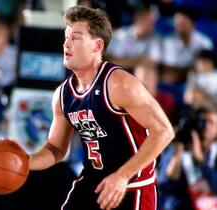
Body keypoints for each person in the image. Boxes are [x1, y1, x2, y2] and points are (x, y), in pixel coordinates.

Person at [28, 5, 174, 210]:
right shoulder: (62, 94)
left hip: (131, 186)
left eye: (75, 37)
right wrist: (25, 162)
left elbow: (164, 131)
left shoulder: (118, 83)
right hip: (91, 183)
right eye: (66, 37)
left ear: (97, 46)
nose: (66, 44)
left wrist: (122, 176)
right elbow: (56, 149)